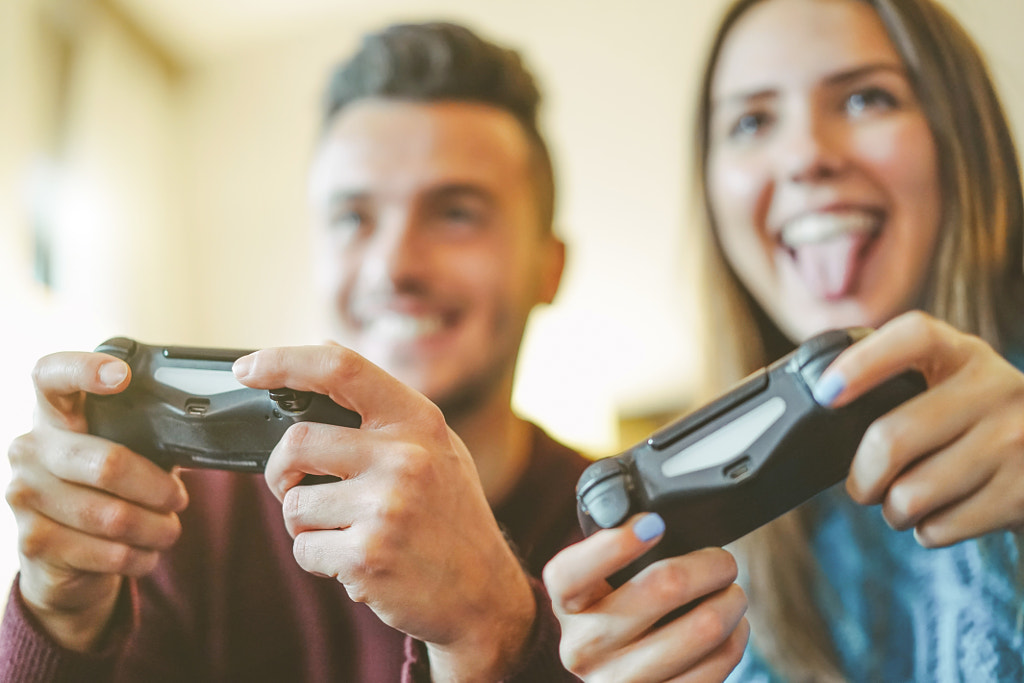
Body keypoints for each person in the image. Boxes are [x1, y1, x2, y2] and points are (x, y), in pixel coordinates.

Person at [0, 22, 589, 682]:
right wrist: (59, 621)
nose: (393, 266)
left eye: (456, 212)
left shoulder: (626, 531)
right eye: (352, 217)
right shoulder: (179, 523)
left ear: (550, 268)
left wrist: (501, 634)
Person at [543, 0, 1024, 680]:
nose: (804, 157)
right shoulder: (725, 572)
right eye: (751, 121)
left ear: (963, 135)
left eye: (865, 97)